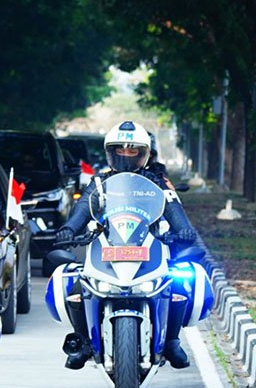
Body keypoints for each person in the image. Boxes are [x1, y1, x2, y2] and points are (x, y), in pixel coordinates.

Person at [53, 120, 197, 370]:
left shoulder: (157, 183)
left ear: (144, 154)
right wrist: (68, 229)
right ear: (110, 152)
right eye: (120, 150)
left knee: (179, 285)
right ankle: (84, 342)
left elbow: (173, 208)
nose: (126, 156)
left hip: (150, 246)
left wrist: (183, 228)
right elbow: (81, 210)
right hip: (106, 246)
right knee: (76, 288)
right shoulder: (98, 184)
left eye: (133, 151)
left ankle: (172, 342)